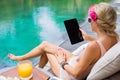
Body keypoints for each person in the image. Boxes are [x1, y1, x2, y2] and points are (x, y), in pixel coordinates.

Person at [8, 2, 119, 80]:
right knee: (45, 44)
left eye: (90, 19)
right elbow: (101, 45)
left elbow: (76, 74)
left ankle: (36, 72)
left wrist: (62, 61)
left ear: (97, 23)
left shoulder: (92, 47)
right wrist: (87, 38)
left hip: (69, 73)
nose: (89, 22)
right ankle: (26, 62)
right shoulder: (114, 37)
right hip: (79, 61)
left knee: (46, 50)